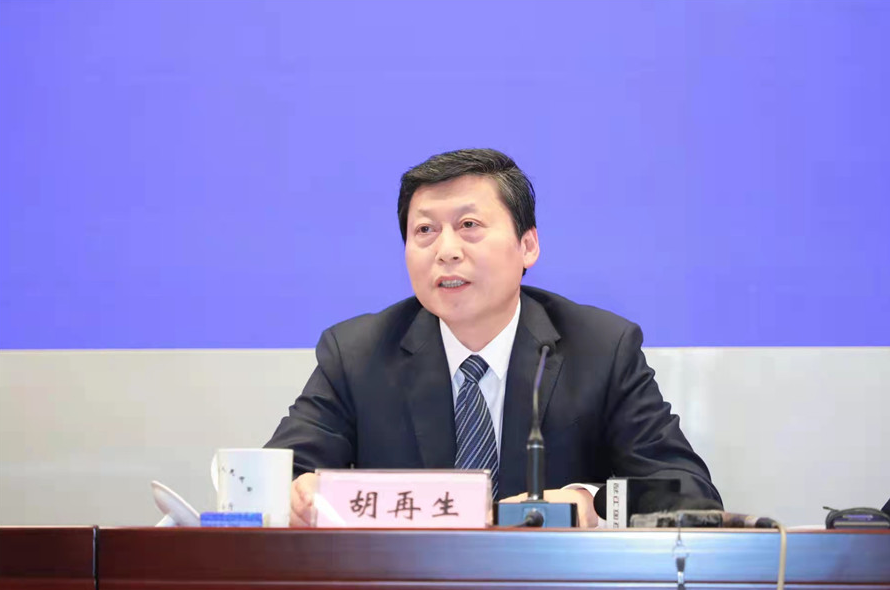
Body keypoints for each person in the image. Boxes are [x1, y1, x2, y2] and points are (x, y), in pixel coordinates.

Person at [266, 148, 722, 527]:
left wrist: (590, 503)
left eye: (469, 226)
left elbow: (689, 493)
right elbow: (271, 480)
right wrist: (294, 494)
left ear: (528, 245)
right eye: (424, 230)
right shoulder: (357, 354)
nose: (446, 250)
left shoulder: (601, 348)